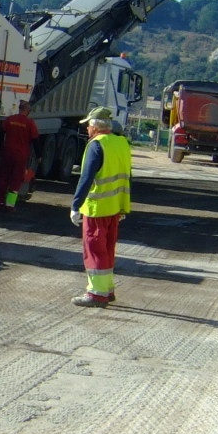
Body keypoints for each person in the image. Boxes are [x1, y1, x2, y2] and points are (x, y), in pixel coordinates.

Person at [68, 106, 132, 307]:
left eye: (88, 125)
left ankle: (96, 294)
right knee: (107, 249)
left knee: (95, 249)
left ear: (95, 126)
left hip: (97, 207)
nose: (87, 128)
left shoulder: (97, 145)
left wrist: (75, 205)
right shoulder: (121, 143)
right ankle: (107, 290)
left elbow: (86, 179)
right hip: (115, 207)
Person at [0, 100, 39, 206]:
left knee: (3, 178)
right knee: (16, 180)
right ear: (27, 111)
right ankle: (9, 205)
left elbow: (0, 134)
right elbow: (35, 141)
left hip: (7, 153)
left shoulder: (10, 119)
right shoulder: (30, 123)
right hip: (21, 156)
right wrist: (39, 156)